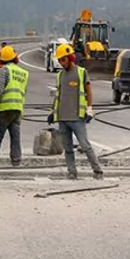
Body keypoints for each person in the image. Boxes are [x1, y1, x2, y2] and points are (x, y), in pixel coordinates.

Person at [47, 43, 104, 180]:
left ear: (70, 57)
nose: (61, 63)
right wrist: (52, 113)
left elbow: (88, 91)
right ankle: (71, 172)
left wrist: (89, 109)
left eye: (63, 60)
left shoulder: (81, 72)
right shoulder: (60, 75)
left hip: (77, 118)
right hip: (62, 117)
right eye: (60, 60)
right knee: (67, 148)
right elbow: (58, 96)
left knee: (85, 146)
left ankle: (97, 171)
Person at [0, 45, 29, 167]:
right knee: (15, 137)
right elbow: (23, 91)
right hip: (17, 108)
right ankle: (16, 161)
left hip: (4, 108)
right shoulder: (24, 73)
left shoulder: (4, 70)